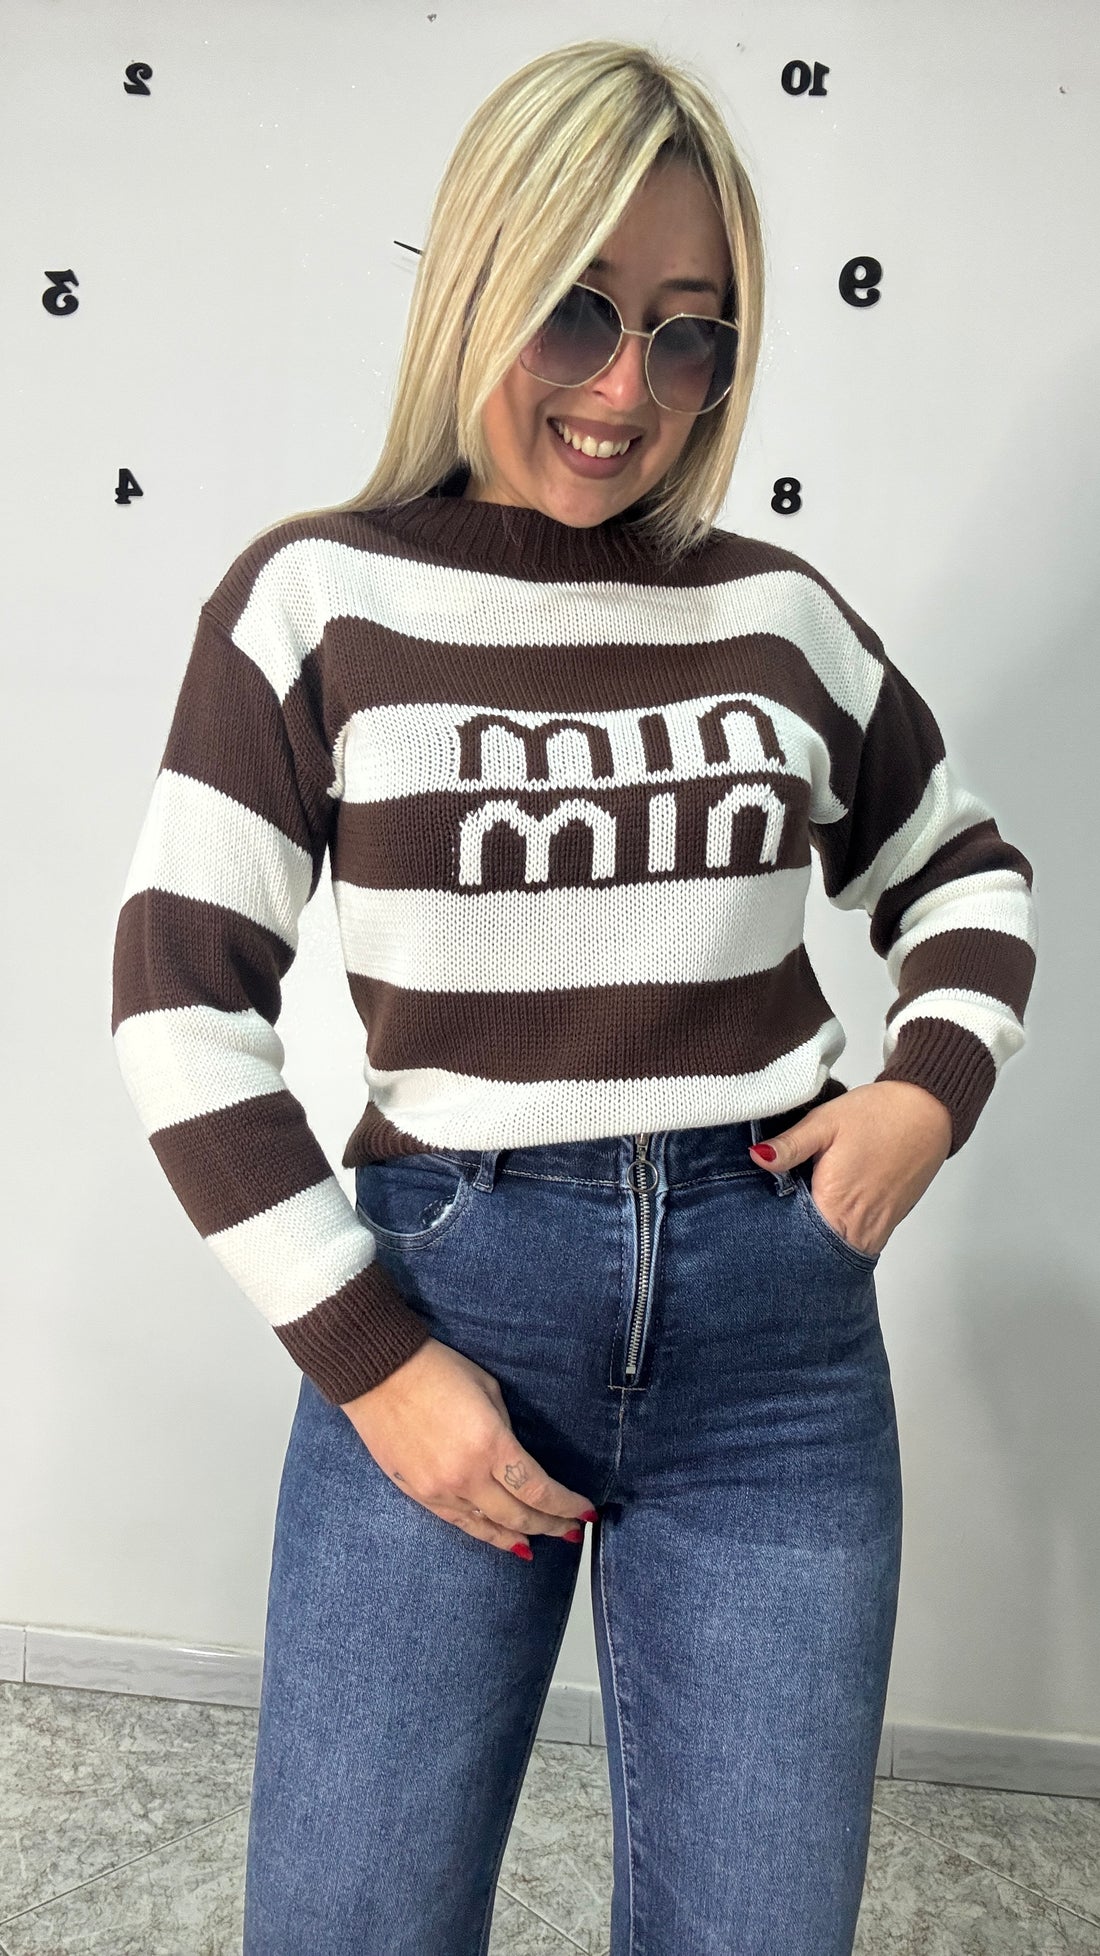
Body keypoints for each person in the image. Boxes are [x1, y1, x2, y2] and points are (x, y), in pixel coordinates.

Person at [109, 37, 1037, 1956]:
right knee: (351, 1922)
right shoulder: (316, 601)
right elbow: (177, 998)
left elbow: (962, 869)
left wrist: (925, 1094)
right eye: (578, 310)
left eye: (689, 335)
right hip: (451, 1301)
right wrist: (374, 1360)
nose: (628, 390)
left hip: (774, 1351)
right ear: (477, 281)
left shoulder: (779, 614)